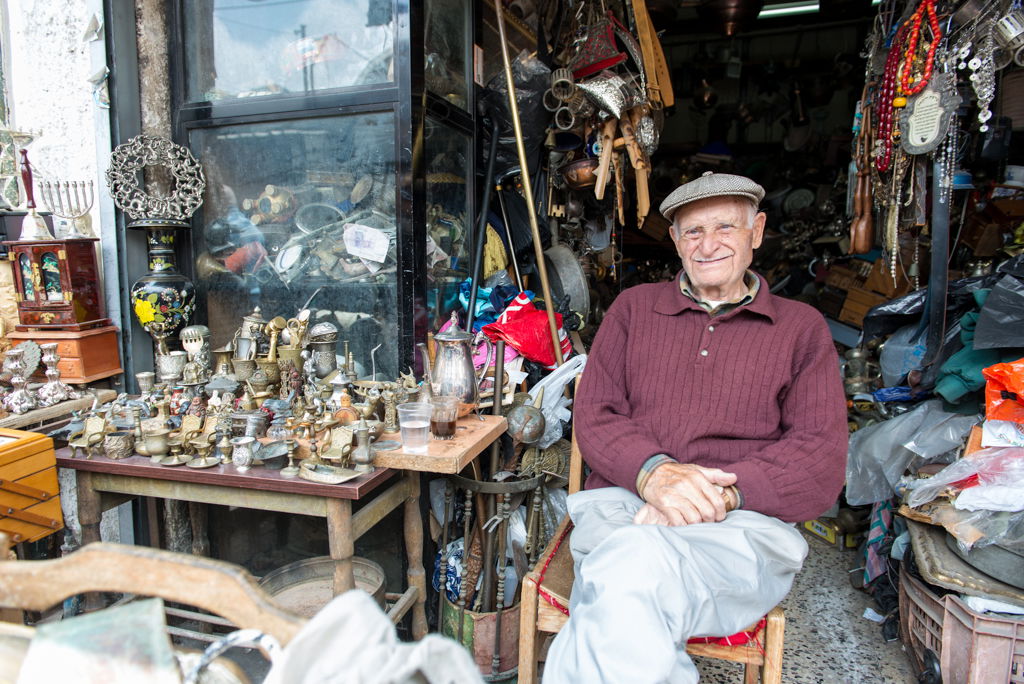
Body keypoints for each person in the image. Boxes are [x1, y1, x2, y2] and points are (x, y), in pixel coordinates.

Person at [543, 172, 848, 683]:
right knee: (632, 568)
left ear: (757, 231)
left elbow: (818, 456)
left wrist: (716, 497)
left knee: (620, 583)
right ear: (676, 242)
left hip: (743, 527)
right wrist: (654, 475)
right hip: (625, 507)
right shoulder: (634, 309)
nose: (708, 245)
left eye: (725, 227)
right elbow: (595, 414)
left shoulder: (801, 329)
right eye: (692, 232)